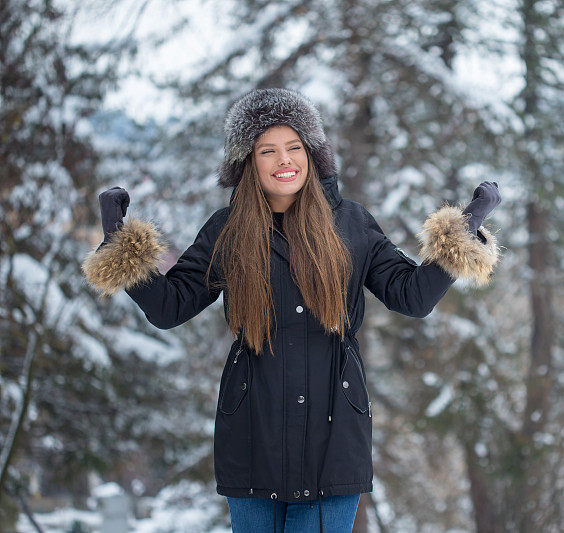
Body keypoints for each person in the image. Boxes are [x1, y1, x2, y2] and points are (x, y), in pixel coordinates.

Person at [81, 87, 501, 532]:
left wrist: (464, 230)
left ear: (312, 154)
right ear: (248, 162)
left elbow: (411, 296)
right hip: (251, 432)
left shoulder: (351, 223)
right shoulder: (226, 231)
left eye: (294, 147)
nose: (285, 161)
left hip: (334, 434)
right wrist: (118, 243)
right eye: (268, 150)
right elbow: (170, 307)